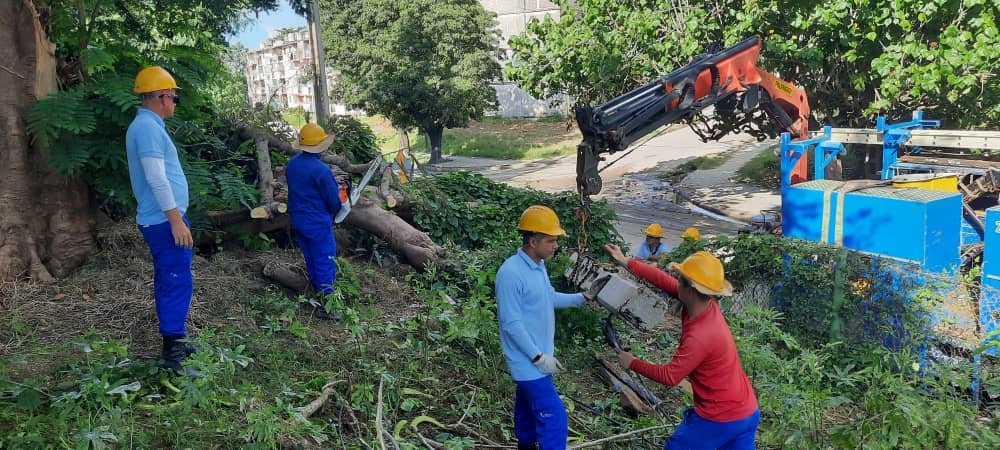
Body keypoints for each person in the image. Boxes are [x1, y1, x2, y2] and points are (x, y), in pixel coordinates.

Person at [604, 244, 760, 449]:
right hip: (747, 412)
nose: (675, 283)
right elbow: (661, 279)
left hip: (719, 417)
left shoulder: (700, 336)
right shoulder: (705, 304)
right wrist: (626, 261)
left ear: (690, 289)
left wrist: (632, 362)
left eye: (680, 280)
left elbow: (670, 376)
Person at [496, 205, 587, 450]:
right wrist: (538, 357)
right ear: (533, 241)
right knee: (555, 420)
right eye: (550, 240)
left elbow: (550, 297)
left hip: (538, 359)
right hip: (529, 363)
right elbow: (511, 324)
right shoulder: (511, 273)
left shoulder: (538, 267)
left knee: (526, 415)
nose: (555, 245)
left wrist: (582, 298)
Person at [126, 66, 195, 372]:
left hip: (165, 219)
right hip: (164, 221)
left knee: (176, 278)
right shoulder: (147, 129)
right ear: (164, 97)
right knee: (174, 281)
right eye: (174, 97)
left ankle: (176, 340)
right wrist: (176, 220)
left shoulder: (148, 126)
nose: (174, 104)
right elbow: (156, 178)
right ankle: (172, 355)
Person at [287, 123, 343, 321]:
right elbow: (332, 200)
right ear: (320, 145)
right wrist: (339, 207)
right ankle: (327, 305)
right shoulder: (322, 170)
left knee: (310, 257)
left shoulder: (292, 164)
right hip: (317, 222)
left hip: (298, 219)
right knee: (325, 260)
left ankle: (317, 293)